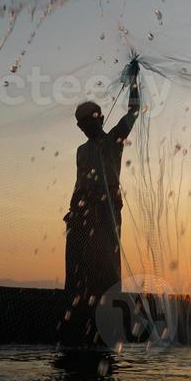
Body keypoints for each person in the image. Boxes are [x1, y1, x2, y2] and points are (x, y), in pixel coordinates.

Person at [58, 59, 141, 347]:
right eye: (80, 124)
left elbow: (134, 111)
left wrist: (133, 81)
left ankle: (103, 322)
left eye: (87, 122)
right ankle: (79, 316)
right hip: (80, 212)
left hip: (105, 211)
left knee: (105, 264)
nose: (83, 128)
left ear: (98, 119)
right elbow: (79, 183)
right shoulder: (81, 151)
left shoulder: (113, 141)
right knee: (78, 267)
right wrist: (71, 211)